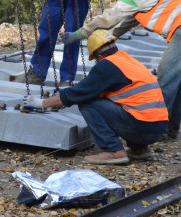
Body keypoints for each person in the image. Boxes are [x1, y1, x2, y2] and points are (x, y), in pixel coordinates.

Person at [60, 0, 181, 139]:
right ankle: (171, 128)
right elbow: (125, 24)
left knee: (167, 74)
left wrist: (79, 34)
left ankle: (159, 128)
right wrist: (106, 39)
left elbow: (110, 17)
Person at [39, 29, 168, 164]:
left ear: (99, 57)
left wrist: (42, 103)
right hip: (158, 127)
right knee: (126, 103)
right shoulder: (126, 60)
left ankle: (113, 150)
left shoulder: (107, 65)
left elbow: (78, 94)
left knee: (87, 102)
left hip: (142, 126)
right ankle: (139, 149)